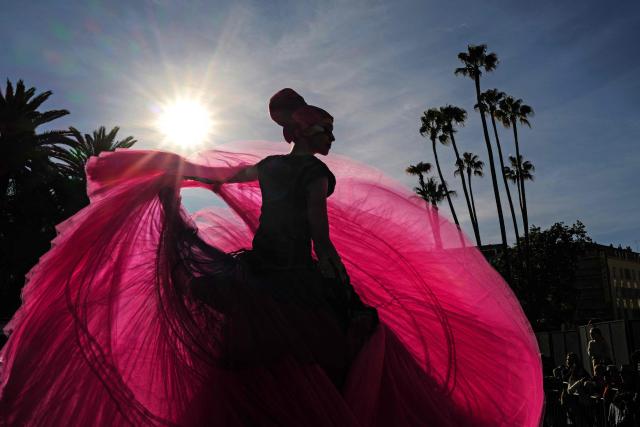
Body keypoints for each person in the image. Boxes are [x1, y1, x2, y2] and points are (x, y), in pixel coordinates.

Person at [0, 89, 543, 426]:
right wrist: (343, 285)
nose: (334, 137)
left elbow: (215, 177)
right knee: (347, 353)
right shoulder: (314, 173)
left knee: (251, 380)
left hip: (254, 279)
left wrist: (170, 171)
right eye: (328, 129)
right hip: (295, 281)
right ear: (311, 134)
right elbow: (318, 234)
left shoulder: (269, 167)